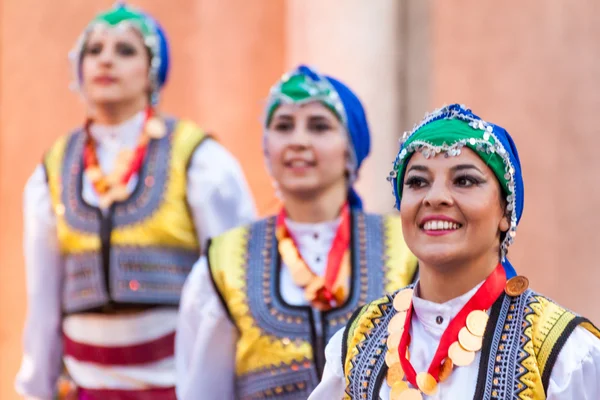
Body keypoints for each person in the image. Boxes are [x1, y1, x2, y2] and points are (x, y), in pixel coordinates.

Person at [15, 3, 256, 399]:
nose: (106, 60)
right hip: (85, 389)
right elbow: (42, 303)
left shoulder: (196, 159)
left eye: (125, 50)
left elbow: (234, 290)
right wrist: (35, 389)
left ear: (152, 71)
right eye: (94, 50)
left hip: (176, 387)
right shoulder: (53, 169)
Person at [310, 104, 600, 399]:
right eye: (417, 182)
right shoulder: (357, 341)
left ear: (505, 212)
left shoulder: (562, 354)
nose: (435, 197)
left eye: (464, 181)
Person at [175, 65, 418, 399]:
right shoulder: (224, 262)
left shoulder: (407, 249)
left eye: (319, 126)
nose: (298, 141)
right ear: (267, 148)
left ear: (351, 149)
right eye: (284, 126)